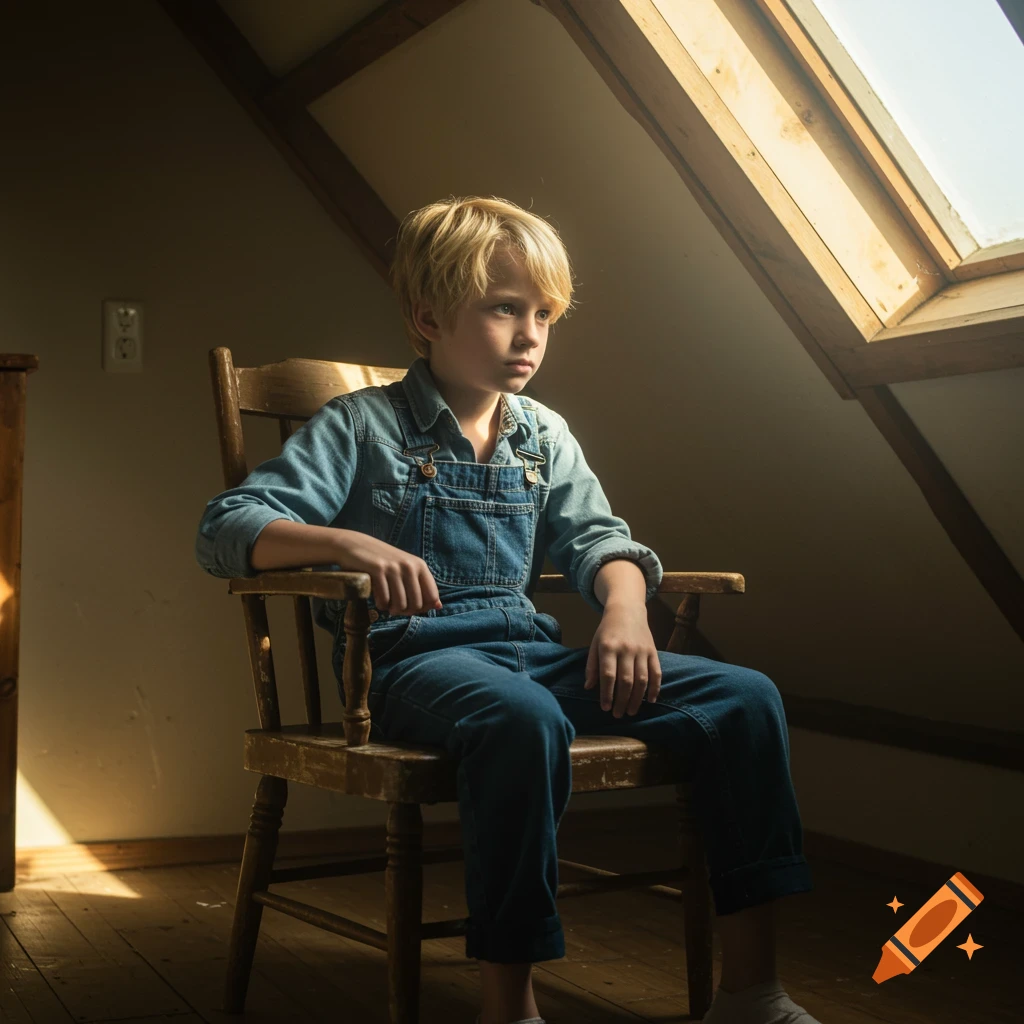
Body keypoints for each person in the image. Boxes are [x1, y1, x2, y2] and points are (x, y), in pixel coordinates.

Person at [195, 196, 818, 1024]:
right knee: (523, 720)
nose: (529, 334)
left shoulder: (541, 436)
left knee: (746, 699)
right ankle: (509, 1006)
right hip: (407, 663)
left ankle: (751, 993)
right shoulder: (360, 425)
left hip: (526, 654)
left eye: (544, 314)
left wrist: (626, 610)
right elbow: (224, 528)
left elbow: (601, 540)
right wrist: (346, 545)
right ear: (427, 315)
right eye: (503, 309)